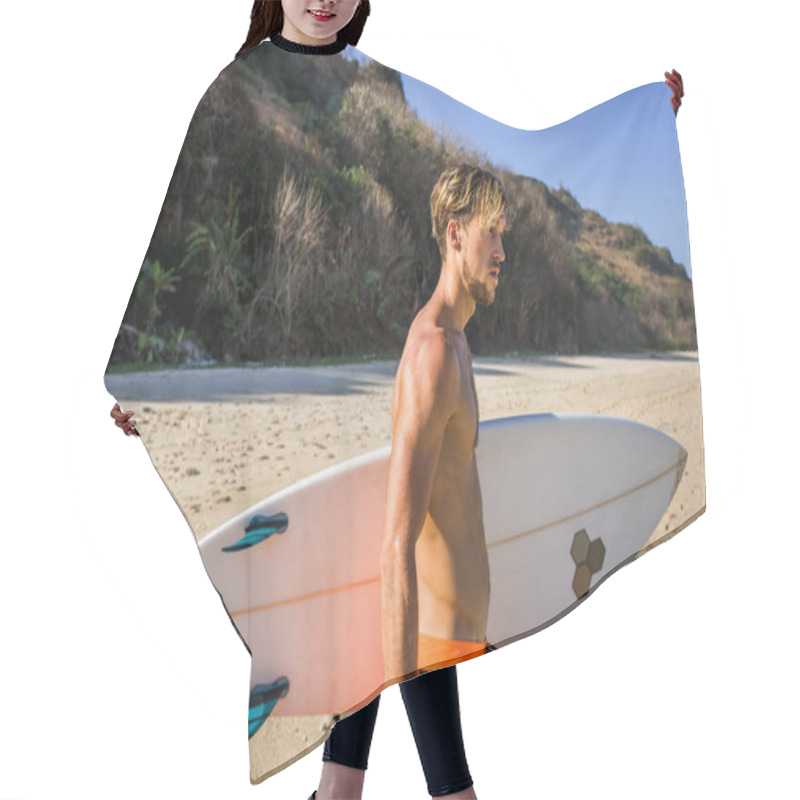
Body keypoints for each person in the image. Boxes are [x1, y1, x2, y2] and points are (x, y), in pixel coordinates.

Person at [108, 3, 686, 798]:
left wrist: (647, 113)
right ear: (454, 233)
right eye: (495, 235)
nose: (505, 253)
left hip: (435, 627)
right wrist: (149, 405)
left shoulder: (458, 343)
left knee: (342, 791)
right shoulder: (430, 357)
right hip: (421, 631)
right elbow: (394, 544)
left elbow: (537, 133)